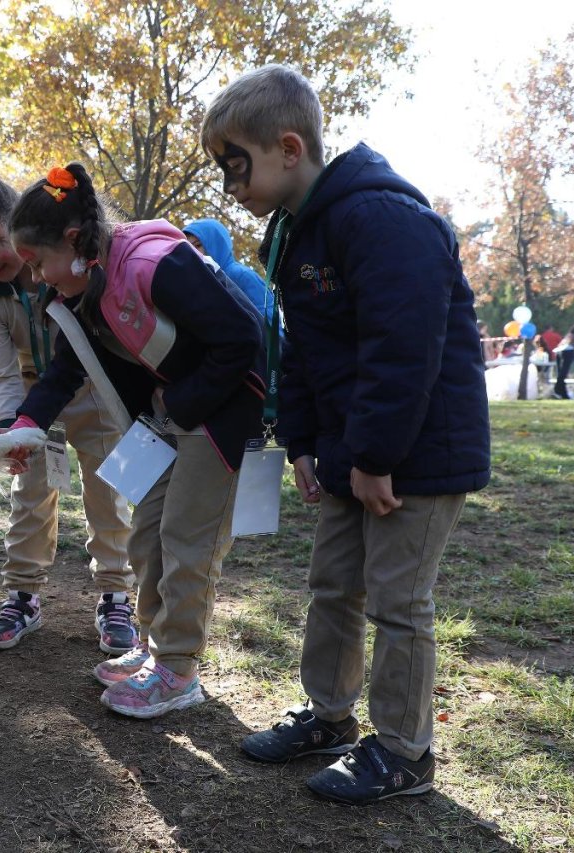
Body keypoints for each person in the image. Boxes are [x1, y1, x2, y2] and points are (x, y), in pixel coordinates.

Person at [201, 64, 491, 805]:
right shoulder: (294, 235)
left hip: (413, 455)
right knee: (333, 584)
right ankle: (329, 715)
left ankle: (404, 750)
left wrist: (371, 456)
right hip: (348, 454)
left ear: (288, 147)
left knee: (398, 600)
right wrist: (303, 444)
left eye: (236, 165)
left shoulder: (382, 218)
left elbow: (403, 349)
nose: (230, 184)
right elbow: (300, 349)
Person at [0, 162, 266, 719]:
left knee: (186, 539)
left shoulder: (155, 263)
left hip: (219, 411)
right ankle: (153, 647)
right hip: (165, 416)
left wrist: (178, 406)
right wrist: (25, 423)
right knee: (144, 534)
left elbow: (243, 338)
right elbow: (66, 370)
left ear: (72, 240)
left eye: (38, 262)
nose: (39, 277)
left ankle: (178, 669)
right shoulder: (82, 288)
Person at [0, 159, 138, 656]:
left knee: (107, 494)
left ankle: (115, 595)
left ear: (16, 220)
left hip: (92, 391)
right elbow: (2, 371)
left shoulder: (65, 262)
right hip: (31, 403)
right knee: (29, 497)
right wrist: (9, 430)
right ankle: (21, 596)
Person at [182, 218, 274, 319]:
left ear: (216, 244)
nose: (193, 253)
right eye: (188, 248)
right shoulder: (200, 283)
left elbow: (269, 320)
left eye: (198, 245)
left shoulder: (240, 275)